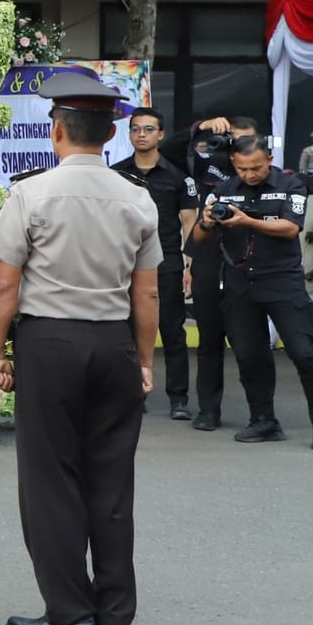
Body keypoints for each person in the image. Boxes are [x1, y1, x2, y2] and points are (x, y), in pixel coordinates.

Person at [0, 72, 161, 625]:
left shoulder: (31, 193)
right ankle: (114, 618)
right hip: (112, 343)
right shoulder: (137, 196)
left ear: (56, 131)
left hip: (51, 343)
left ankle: (69, 613)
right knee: (112, 480)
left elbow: (5, 286)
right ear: (110, 133)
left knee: (50, 478)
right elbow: (148, 293)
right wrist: (142, 359)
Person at [191, 135, 313, 450]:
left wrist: (247, 221)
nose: (249, 175)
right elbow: (198, 236)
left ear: (268, 159)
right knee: (250, 357)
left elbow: (291, 227)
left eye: (255, 167)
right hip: (240, 284)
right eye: (242, 169)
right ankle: (264, 421)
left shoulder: (290, 185)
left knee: (304, 353)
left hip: (282, 282)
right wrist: (209, 221)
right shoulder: (225, 189)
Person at [112, 107, 199, 420]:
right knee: (126, 332)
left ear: (161, 134)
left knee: (173, 332)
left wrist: (190, 267)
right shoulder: (117, 174)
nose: (141, 135)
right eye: (136, 129)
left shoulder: (178, 178)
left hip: (167, 264)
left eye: (148, 129)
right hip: (124, 266)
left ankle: (179, 399)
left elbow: (190, 224)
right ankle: (132, 394)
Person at [175, 115, 257, 430]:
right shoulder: (210, 171)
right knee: (208, 344)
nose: (242, 148)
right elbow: (170, 150)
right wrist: (202, 128)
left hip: (248, 268)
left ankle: (260, 415)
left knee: (249, 346)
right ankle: (208, 411)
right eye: (236, 141)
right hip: (208, 264)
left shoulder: (267, 179)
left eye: (248, 142)